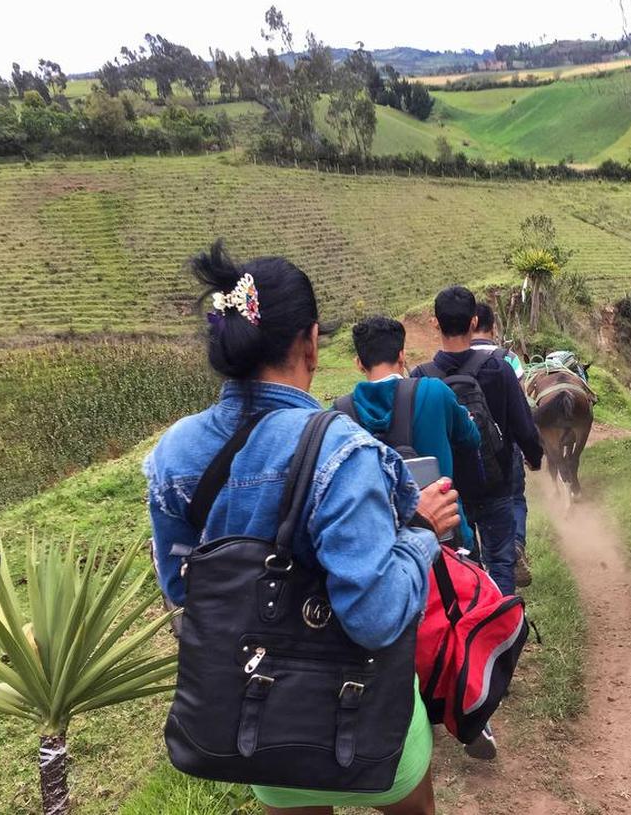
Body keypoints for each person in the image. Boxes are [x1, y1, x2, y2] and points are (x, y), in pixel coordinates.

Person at [144, 242, 460, 815]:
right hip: (363, 712)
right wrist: (420, 536)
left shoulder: (173, 453)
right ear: (310, 343)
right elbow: (375, 615)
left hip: (258, 718)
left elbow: (184, 587)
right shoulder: (343, 449)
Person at [411, 286, 543, 598]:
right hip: (496, 482)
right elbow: (522, 423)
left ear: (435, 323)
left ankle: (476, 629)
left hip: (449, 490)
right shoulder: (498, 366)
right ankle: (507, 633)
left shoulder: (420, 376)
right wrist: (534, 456)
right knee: (501, 560)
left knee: (464, 563)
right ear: (473, 322)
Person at [341, 315, 480, 552]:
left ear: (358, 363)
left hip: (383, 547)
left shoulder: (341, 414)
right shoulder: (434, 391)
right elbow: (471, 439)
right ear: (402, 355)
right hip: (446, 535)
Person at [471, 303, 531, 587]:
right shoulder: (509, 359)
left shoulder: (451, 361)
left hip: (467, 453)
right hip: (505, 450)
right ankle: (516, 544)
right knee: (515, 499)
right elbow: (520, 406)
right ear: (492, 328)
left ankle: (475, 575)